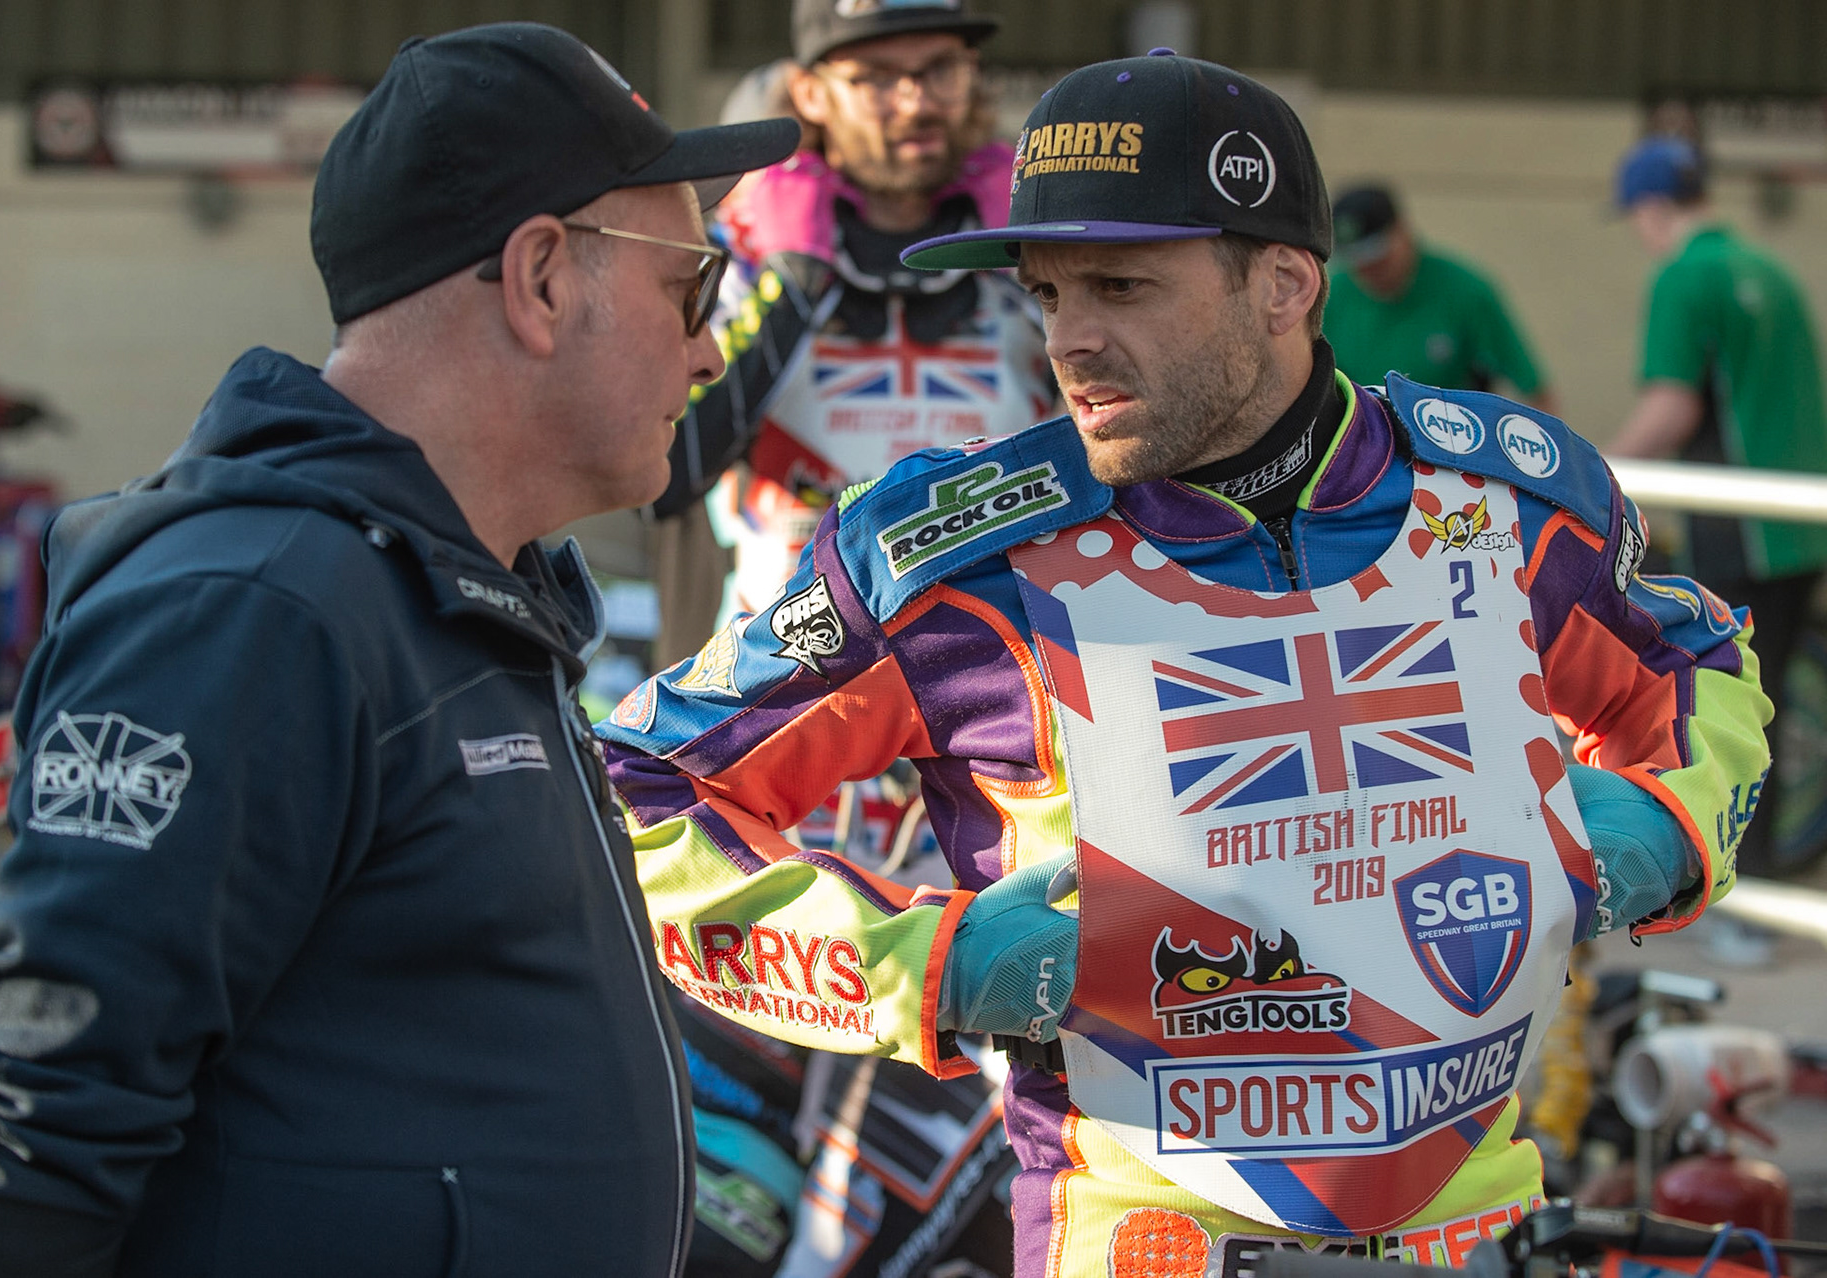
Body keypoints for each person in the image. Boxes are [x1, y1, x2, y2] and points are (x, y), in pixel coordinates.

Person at [598, 52, 1771, 1278]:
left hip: (1475, 1226)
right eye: (1047, 293)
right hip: (1151, 1239)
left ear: (1283, 282)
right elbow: (641, 790)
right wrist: (930, 965)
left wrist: (1668, 824)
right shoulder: (956, 559)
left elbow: (1697, 658)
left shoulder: (1509, 500)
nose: (1071, 341)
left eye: (1120, 285)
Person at [0, 23, 796, 1277]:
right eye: (690, 287)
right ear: (542, 279)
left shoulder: (460, 601)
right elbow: (27, 1146)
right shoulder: (258, 614)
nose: (711, 349)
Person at [654, 0, 1056, 625]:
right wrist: (789, 285)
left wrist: (1040, 273)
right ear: (810, 93)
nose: (914, 102)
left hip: (998, 668)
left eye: (940, 68)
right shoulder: (747, 250)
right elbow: (666, 476)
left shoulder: (1037, 249)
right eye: (873, 77)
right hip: (790, 673)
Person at [1608, 135, 1827, 879]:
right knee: (1775, 709)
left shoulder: (1683, 278)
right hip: (1798, 533)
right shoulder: (1769, 267)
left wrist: (1592, 478)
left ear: (1653, 207)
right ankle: (1763, 881)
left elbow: (1670, 406)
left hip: (1739, 536)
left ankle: (1735, 888)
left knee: (1725, 717)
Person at [1325, 183, 1554, 411]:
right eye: (1356, 261)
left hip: (1452, 435)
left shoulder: (1465, 290)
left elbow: (1535, 391)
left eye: (1378, 258)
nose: (1368, 271)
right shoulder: (1330, 296)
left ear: (1403, 232)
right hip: (1363, 434)